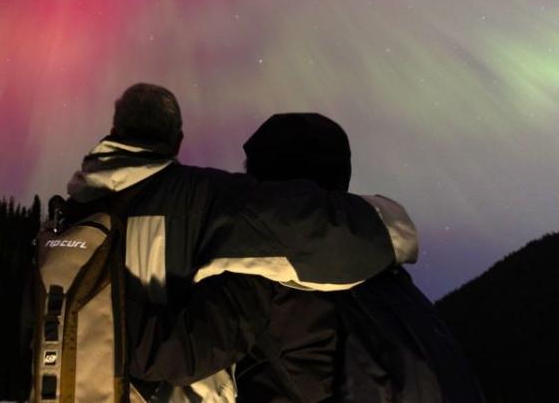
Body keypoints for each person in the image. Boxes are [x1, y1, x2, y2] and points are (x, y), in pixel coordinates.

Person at [44, 85, 418, 402]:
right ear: (177, 140)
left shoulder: (70, 214)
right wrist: (391, 226)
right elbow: (188, 351)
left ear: (115, 128)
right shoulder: (211, 203)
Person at [128, 113, 483, 402]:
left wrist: (102, 306)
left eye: (253, 171)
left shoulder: (265, 264)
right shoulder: (382, 269)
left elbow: (176, 353)